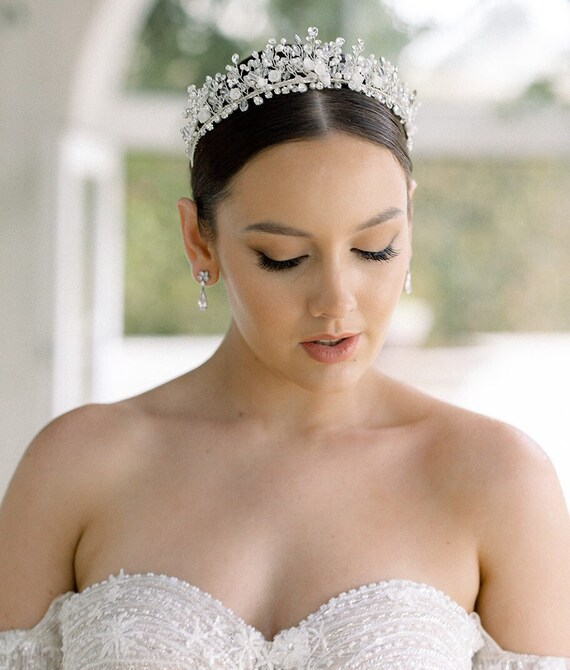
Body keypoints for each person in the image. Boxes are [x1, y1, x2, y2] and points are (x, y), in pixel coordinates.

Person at [0, 26, 569, 670]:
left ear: (410, 221)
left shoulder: (498, 478)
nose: (336, 300)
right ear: (199, 241)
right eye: (283, 257)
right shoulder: (76, 464)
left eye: (374, 248)